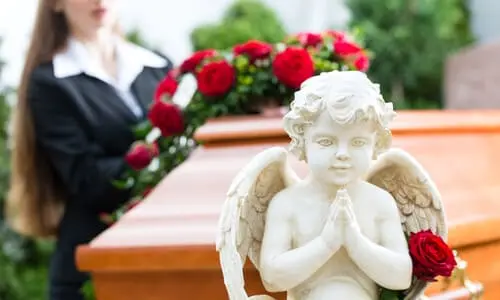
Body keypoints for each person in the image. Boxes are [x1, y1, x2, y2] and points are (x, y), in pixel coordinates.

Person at [5, 1, 173, 299]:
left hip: (169, 252)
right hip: (91, 266)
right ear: (56, 4)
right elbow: (91, 181)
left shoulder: (158, 66)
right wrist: (166, 154)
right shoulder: (49, 83)